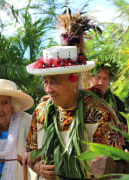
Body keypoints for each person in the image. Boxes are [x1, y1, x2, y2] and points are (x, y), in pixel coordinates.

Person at [25, 45, 124, 180]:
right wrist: (39, 169)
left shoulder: (101, 114)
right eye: (45, 81)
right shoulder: (41, 111)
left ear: (74, 80)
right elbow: (30, 153)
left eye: (54, 82)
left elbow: (113, 166)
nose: (48, 89)